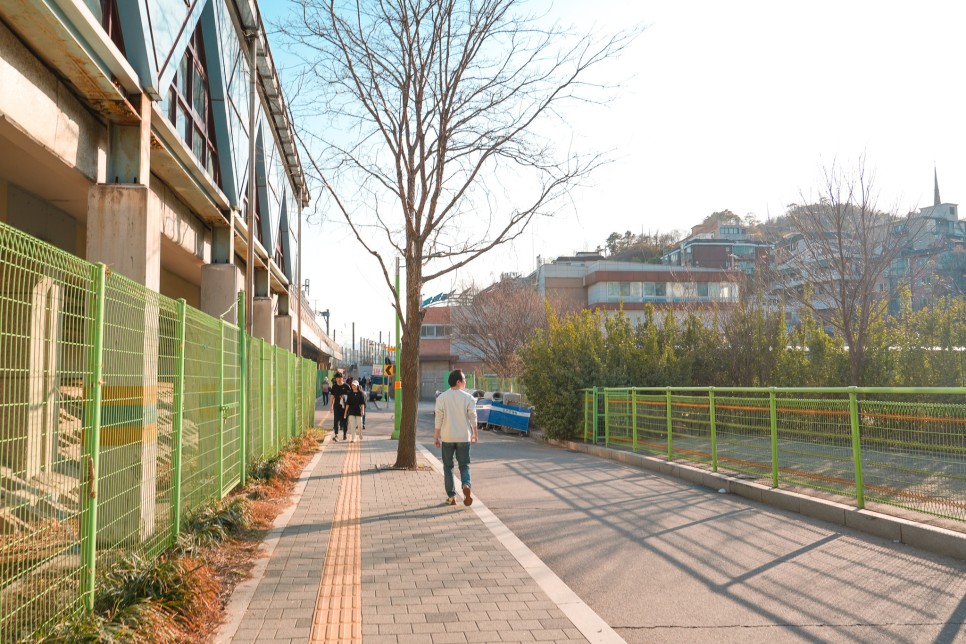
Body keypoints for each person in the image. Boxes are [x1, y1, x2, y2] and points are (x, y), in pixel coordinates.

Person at [433, 369, 478, 506]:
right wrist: (475, 433)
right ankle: (466, 486)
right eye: (464, 379)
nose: (465, 382)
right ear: (458, 382)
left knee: (448, 466)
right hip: (464, 436)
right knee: (464, 465)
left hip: (447, 437)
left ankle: (452, 497)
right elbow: (473, 417)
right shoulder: (468, 398)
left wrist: (436, 437)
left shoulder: (441, 398)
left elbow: (438, 418)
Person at [330, 372, 351, 441]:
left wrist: (344, 397)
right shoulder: (334, 386)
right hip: (337, 406)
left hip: (345, 407)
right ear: (335, 379)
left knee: (345, 421)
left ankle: (345, 434)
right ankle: (336, 435)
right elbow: (332, 397)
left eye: (340, 378)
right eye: (337, 378)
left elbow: (350, 397)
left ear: (343, 378)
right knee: (336, 421)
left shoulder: (347, 386)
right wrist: (331, 407)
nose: (339, 379)